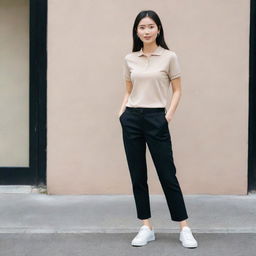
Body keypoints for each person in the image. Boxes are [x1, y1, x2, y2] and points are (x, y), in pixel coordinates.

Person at [118, 10, 198, 248]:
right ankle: (146, 226)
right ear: (136, 31)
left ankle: (184, 228)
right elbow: (127, 90)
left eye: (150, 26)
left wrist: (167, 116)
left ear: (158, 29)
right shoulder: (130, 59)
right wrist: (122, 113)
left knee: (167, 174)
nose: (146, 31)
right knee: (138, 175)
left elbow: (177, 90)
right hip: (132, 118)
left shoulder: (169, 57)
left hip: (156, 118)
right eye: (142, 27)